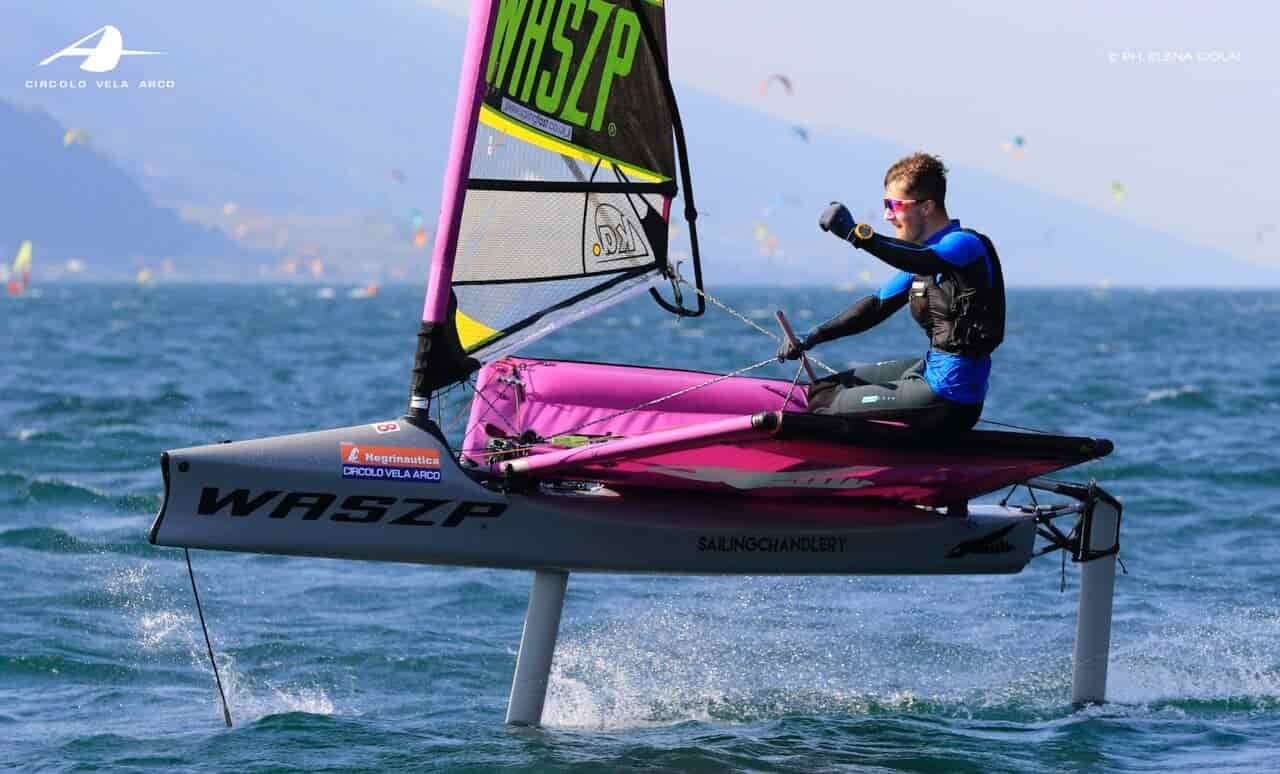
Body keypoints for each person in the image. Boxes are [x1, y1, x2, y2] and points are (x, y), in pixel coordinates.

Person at [777, 153, 1005, 432]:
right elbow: (875, 307)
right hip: (930, 371)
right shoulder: (920, 256)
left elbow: (922, 259)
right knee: (825, 388)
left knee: (826, 405)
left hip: (950, 397)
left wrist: (856, 234)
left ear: (926, 207)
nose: (887, 215)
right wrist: (813, 336)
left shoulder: (963, 245)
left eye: (894, 205)